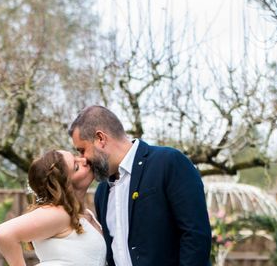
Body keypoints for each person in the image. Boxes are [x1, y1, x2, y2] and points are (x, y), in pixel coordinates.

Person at [69, 105, 212, 266]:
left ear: (101, 139)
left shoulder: (168, 162)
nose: (83, 159)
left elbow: (196, 235)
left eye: (82, 150)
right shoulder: (102, 192)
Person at [0, 149, 106, 266]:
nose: (84, 160)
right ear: (65, 186)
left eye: (76, 156)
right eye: (76, 167)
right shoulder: (60, 214)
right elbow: (3, 233)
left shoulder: (83, 212)